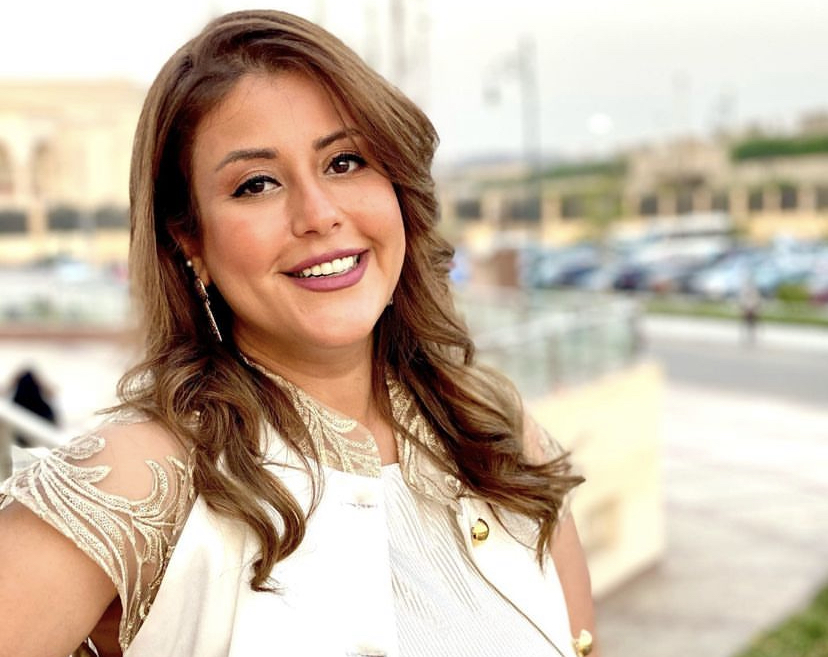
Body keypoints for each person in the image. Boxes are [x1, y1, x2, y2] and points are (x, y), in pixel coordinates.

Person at [0, 10, 597, 657]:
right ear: (189, 238)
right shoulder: (144, 478)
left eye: (345, 161)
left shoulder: (496, 434)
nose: (319, 214)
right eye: (256, 184)